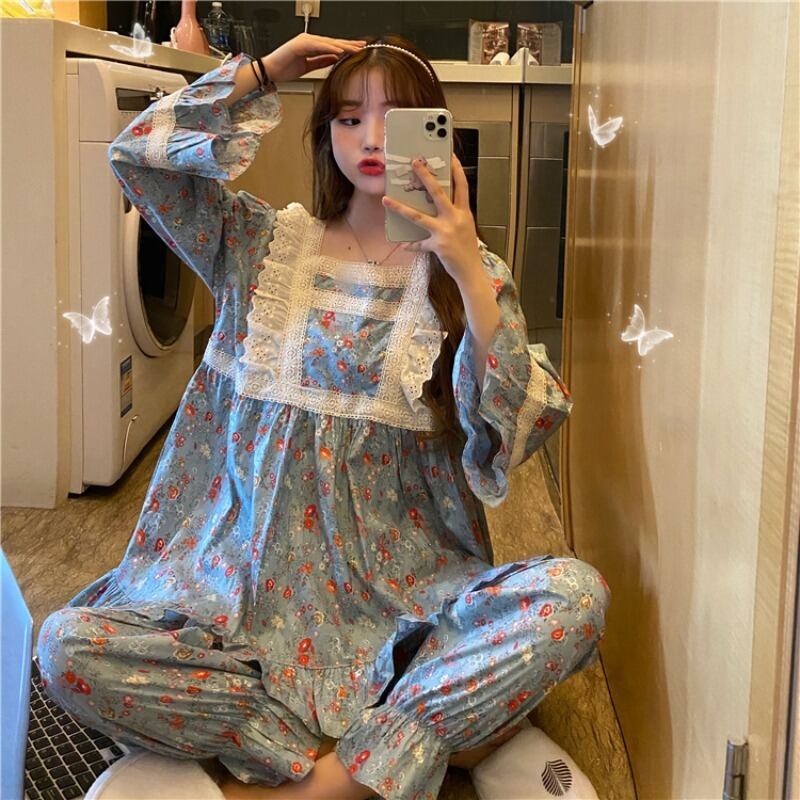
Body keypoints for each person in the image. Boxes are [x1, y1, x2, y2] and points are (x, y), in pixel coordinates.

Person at [37, 33, 610, 800]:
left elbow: (518, 427)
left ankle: (323, 779)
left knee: (574, 599)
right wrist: (263, 71)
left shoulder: (469, 276)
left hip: (402, 607)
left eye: (396, 119)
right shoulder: (257, 246)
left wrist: (469, 268)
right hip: (237, 600)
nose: (371, 139)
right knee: (67, 647)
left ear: (436, 133)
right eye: (347, 118)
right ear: (323, 132)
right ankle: (418, 736)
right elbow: (137, 159)